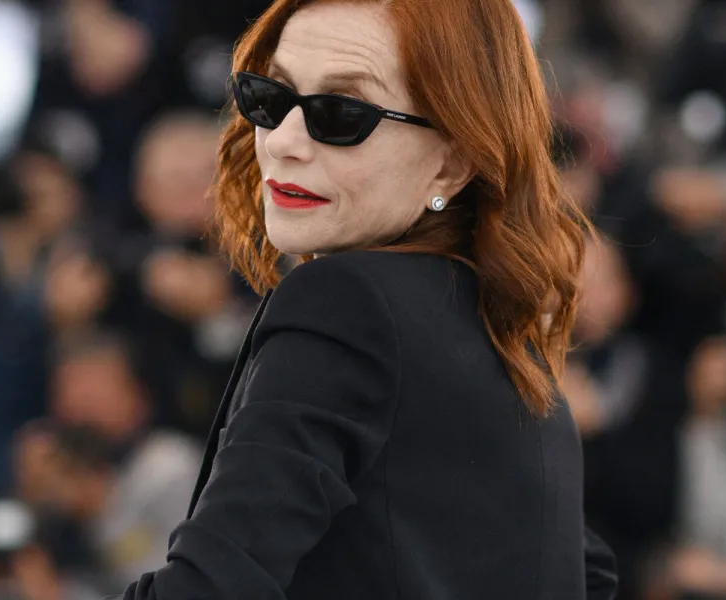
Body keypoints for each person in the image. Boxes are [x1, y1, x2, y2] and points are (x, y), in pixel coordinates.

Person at [109, 1, 619, 599]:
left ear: (452, 162)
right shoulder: (514, 343)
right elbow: (587, 576)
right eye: (269, 98)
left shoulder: (346, 303)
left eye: (340, 112)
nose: (282, 142)